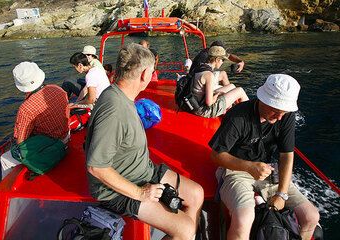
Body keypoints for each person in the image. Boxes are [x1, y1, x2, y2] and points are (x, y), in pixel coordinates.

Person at [85, 43, 204, 240]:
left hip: (141, 170)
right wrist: (141, 193)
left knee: (196, 194)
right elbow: (96, 167)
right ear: (144, 74)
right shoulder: (113, 111)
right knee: (185, 229)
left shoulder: (122, 95)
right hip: (117, 190)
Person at [208, 74, 319, 240]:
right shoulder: (238, 117)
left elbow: (287, 155)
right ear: (263, 100)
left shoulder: (285, 116)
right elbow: (216, 155)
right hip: (236, 170)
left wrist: (282, 194)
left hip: (267, 170)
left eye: (284, 112)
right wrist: (249, 167)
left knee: (311, 216)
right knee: (244, 219)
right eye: (276, 110)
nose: (279, 117)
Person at [1, 61, 70, 177]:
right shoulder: (58, 89)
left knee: (4, 158)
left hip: (47, 147)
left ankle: (9, 188)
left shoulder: (26, 108)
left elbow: (21, 142)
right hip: (66, 137)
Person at [191, 46, 248, 118]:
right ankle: (247, 117)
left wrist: (219, 93)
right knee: (240, 91)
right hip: (204, 110)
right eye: (222, 60)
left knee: (232, 86)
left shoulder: (201, 66)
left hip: (197, 103)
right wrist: (218, 94)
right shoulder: (209, 75)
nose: (222, 62)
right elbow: (209, 103)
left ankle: (232, 108)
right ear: (217, 59)